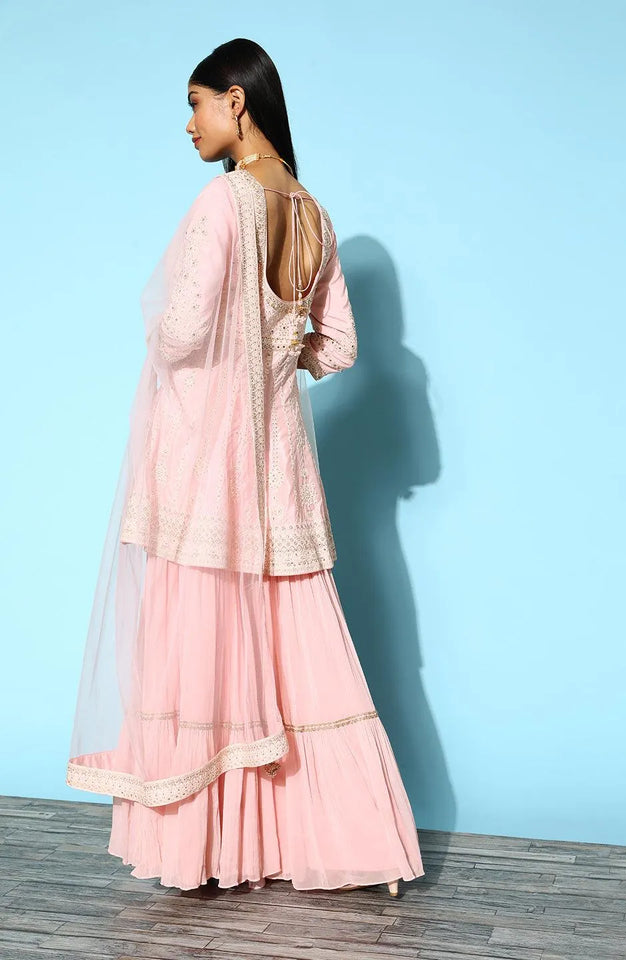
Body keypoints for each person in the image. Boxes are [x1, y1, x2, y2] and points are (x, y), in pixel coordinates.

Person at [65, 38, 424, 895]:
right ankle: (359, 843)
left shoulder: (224, 202)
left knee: (205, 652)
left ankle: (202, 853)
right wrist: (278, 348)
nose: (189, 125)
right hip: (282, 470)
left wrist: (169, 335)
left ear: (237, 100)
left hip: (211, 470)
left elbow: (185, 330)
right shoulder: (313, 215)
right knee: (302, 654)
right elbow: (339, 347)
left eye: (196, 104)